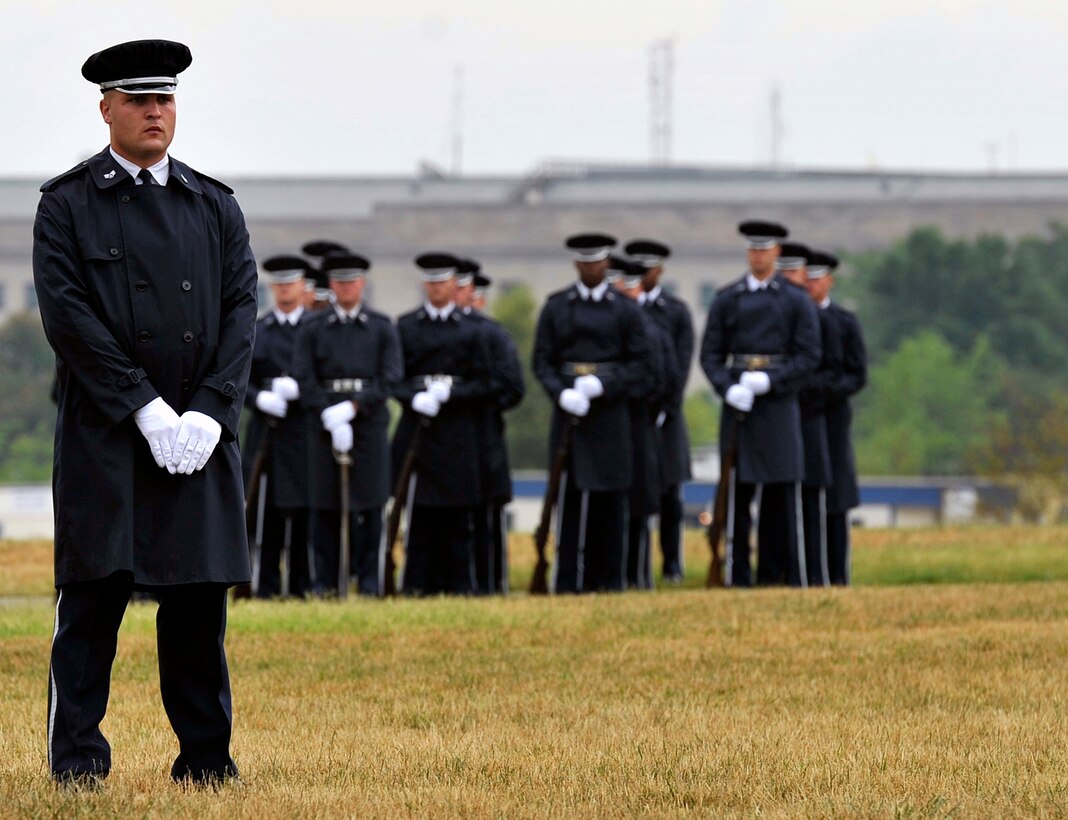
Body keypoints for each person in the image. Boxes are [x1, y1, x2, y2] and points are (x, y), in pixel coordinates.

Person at [33, 39, 256, 785]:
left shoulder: (213, 204)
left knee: (197, 608)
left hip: (196, 433)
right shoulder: (67, 204)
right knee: (93, 604)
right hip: (108, 433)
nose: (154, 111)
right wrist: (144, 407)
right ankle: (78, 764)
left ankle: (206, 762)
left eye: (164, 99)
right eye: (137, 100)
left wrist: (211, 412)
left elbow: (239, 310)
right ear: (107, 110)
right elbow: (68, 317)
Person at [699, 221, 820, 588]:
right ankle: (737, 574)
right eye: (753, 249)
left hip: (779, 406)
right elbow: (710, 355)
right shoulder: (728, 298)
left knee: (781, 493)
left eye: (765, 249)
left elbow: (809, 356)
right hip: (740, 406)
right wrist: (727, 386)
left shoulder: (795, 300)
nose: (759, 255)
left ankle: (783, 574)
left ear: (777, 253)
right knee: (737, 492)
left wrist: (772, 380)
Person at [532, 234, 649, 593]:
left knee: (610, 503)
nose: (590, 268)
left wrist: (605, 386)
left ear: (607, 264)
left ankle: (609, 581)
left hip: (610, 416)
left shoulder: (625, 310)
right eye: (583, 263)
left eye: (596, 262)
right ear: (576, 265)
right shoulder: (557, 306)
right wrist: (560, 392)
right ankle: (569, 581)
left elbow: (640, 364)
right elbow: (542, 360)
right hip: (570, 415)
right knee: (569, 500)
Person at [292, 253, 401, 596]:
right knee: (324, 506)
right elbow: (303, 376)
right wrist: (328, 412)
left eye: (351, 281)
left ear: (362, 284)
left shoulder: (381, 326)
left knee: (370, 505)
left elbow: (390, 378)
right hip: (324, 421)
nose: (345, 288)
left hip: (367, 422)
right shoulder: (313, 327)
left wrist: (354, 408)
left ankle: (369, 581)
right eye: (339, 282)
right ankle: (325, 581)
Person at [392, 253, 494, 595]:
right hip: (419, 431)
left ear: (455, 285)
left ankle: (459, 587)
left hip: (457, 432)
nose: (437, 288)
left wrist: (452, 392)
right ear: (425, 285)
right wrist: (413, 396)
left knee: (457, 520)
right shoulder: (407, 327)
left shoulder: (471, 330)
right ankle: (416, 588)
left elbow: (485, 382)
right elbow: (394, 377)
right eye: (431, 282)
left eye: (443, 282)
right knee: (419, 519)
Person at [241, 255, 315, 599]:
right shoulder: (259, 329)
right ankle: (264, 587)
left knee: (302, 515)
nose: (285, 290)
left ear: (303, 287)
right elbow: (239, 380)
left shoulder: (316, 329)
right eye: (279, 284)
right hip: (267, 433)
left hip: (305, 433)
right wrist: (259, 398)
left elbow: (326, 376)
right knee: (264, 515)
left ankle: (302, 587)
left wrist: (304, 390)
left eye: (291, 283)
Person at [454, 263, 525, 594]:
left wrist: (474, 395)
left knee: (487, 518)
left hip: (483, 437)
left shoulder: (492, 334)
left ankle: (491, 583)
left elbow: (512, 388)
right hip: (447, 440)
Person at [626, 239, 694, 583]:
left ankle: (671, 562)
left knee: (669, 493)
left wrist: (667, 405)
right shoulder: (624, 308)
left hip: (666, 416)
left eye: (648, 268)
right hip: (633, 414)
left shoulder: (675, 311)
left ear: (660, 271)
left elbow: (679, 367)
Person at [776, 243, 842, 587]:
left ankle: (814, 576)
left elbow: (831, 369)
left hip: (810, 416)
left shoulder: (823, 319)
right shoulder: (775, 311)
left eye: (794, 272)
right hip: (778, 416)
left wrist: (798, 386)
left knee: (812, 499)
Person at [806, 250, 867, 585]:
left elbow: (857, 375)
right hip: (800, 417)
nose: (812, 285)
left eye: (818, 278)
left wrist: (827, 390)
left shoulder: (845, 322)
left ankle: (837, 575)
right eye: (808, 278)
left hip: (832, 419)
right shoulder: (794, 318)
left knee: (835, 499)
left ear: (830, 281)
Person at [615, 259, 675, 590]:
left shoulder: (653, 332)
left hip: (638, 424)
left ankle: (638, 575)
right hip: (611, 425)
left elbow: (665, 381)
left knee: (638, 508)